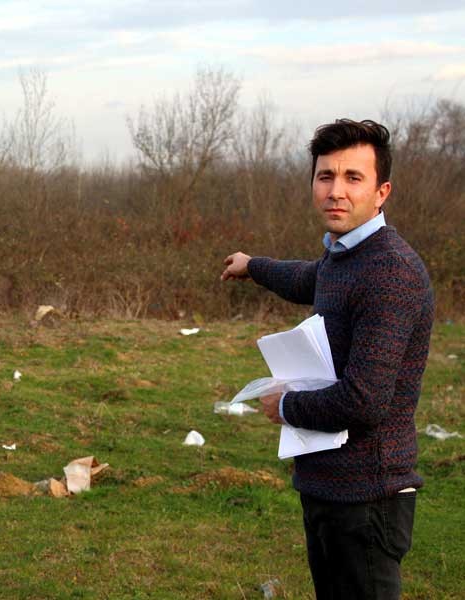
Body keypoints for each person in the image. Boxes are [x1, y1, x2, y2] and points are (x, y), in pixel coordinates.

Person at [220, 119, 433, 599]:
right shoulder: (345, 257)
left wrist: (285, 407)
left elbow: (366, 399)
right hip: (327, 484)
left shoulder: (389, 271)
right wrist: (252, 266)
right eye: (325, 176)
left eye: (353, 178)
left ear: (382, 192)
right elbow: (309, 279)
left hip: (368, 496)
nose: (336, 191)